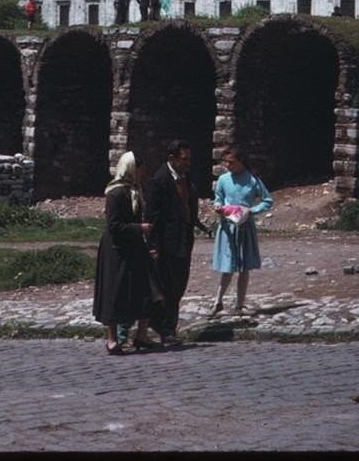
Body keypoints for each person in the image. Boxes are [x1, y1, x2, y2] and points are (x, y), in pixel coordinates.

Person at [93, 151, 160, 354]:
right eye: (140, 169)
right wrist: (138, 228)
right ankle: (112, 339)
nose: (143, 173)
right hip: (117, 250)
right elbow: (114, 225)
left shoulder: (137, 190)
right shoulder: (115, 193)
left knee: (144, 289)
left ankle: (141, 334)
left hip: (135, 247)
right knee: (115, 292)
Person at [208, 145, 273, 318]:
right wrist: (217, 206)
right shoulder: (223, 179)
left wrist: (251, 210)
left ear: (241, 161)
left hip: (244, 227)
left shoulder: (252, 179)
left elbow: (267, 200)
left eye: (232, 162)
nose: (228, 166)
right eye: (225, 162)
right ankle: (218, 302)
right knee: (227, 266)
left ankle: (239, 304)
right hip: (228, 228)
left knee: (244, 267)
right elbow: (219, 198)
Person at [145, 138, 199, 344]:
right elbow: (152, 216)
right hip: (166, 244)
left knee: (179, 284)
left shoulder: (186, 178)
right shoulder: (159, 181)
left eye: (189, 159)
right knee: (167, 285)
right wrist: (153, 246)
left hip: (183, 239)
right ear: (172, 158)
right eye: (184, 159)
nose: (187, 162)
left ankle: (166, 325)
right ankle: (165, 328)